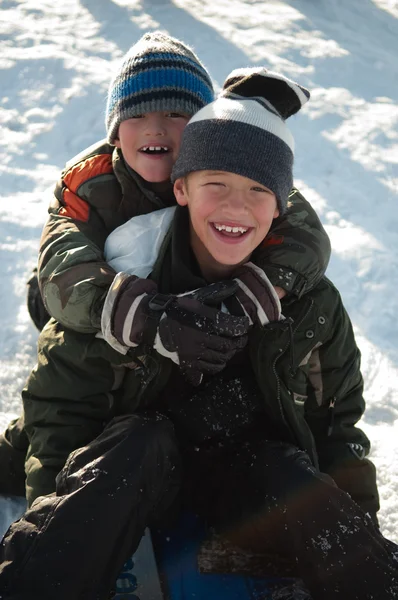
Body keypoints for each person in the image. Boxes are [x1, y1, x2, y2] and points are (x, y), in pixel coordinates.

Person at [1, 67, 397, 600]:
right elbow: (61, 407)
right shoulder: (120, 279)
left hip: (242, 473)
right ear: (181, 188)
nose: (236, 207)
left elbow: (338, 430)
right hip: (143, 463)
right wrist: (64, 521)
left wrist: (354, 532)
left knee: (287, 472)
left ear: (282, 205)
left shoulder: (307, 302)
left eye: (259, 190)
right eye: (217, 185)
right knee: (137, 442)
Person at [0, 32, 331, 505]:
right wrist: (147, 315)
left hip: (185, 302)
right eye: (137, 115)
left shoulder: (233, 170)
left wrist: (265, 286)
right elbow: (62, 268)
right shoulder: (88, 184)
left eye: (176, 114)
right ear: (115, 131)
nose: (156, 128)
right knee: (68, 355)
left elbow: (304, 233)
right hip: (90, 294)